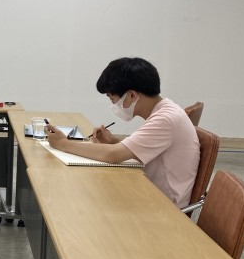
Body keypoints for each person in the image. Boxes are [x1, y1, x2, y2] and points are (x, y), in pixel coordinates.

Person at [46, 56, 200, 207]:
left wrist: (63, 143)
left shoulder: (165, 119)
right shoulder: (166, 110)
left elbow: (112, 155)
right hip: (152, 193)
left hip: (165, 207)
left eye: (112, 98)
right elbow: (140, 150)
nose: (113, 104)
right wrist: (114, 142)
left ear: (132, 95)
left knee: (86, 198)